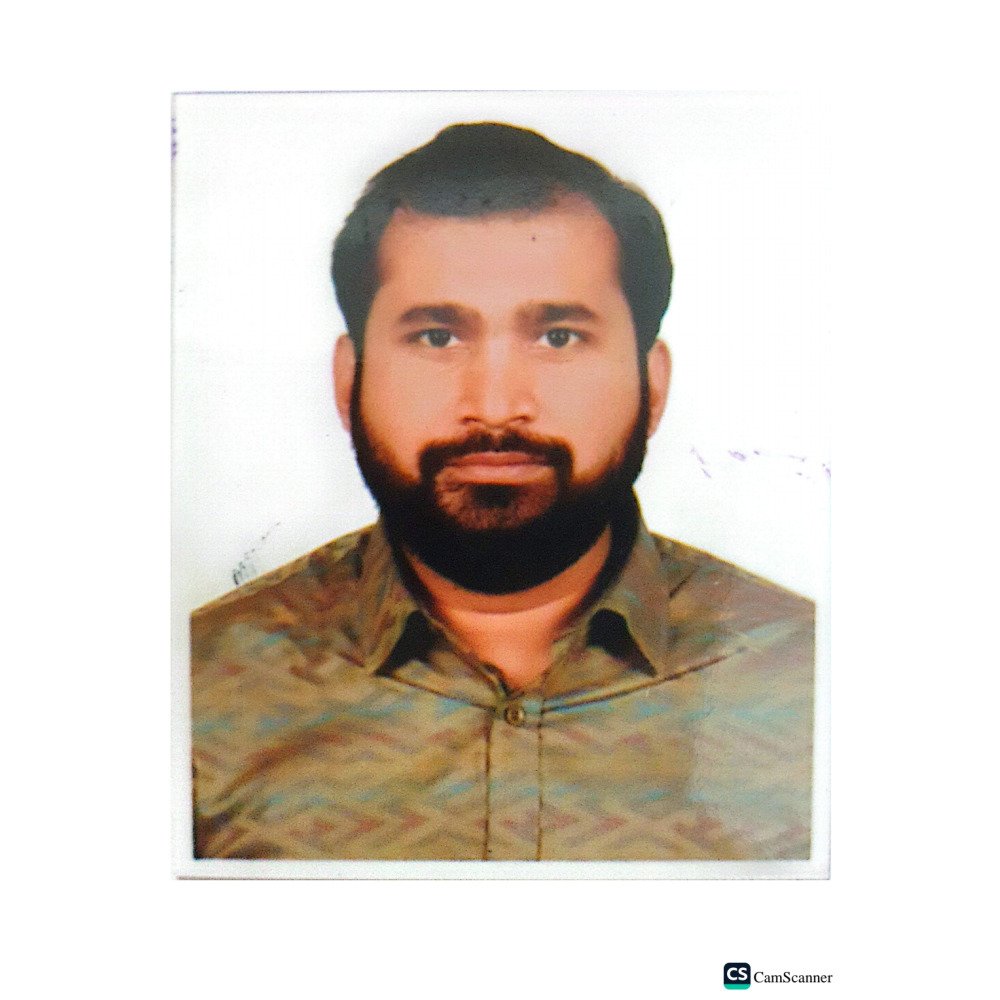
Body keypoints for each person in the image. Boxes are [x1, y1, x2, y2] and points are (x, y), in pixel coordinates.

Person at [190, 123, 814, 862]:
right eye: (436, 337)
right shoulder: (196, 690)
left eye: (558, 337)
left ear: (652, 385)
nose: (493, 407)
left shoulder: (814, 682)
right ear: (348, 380)